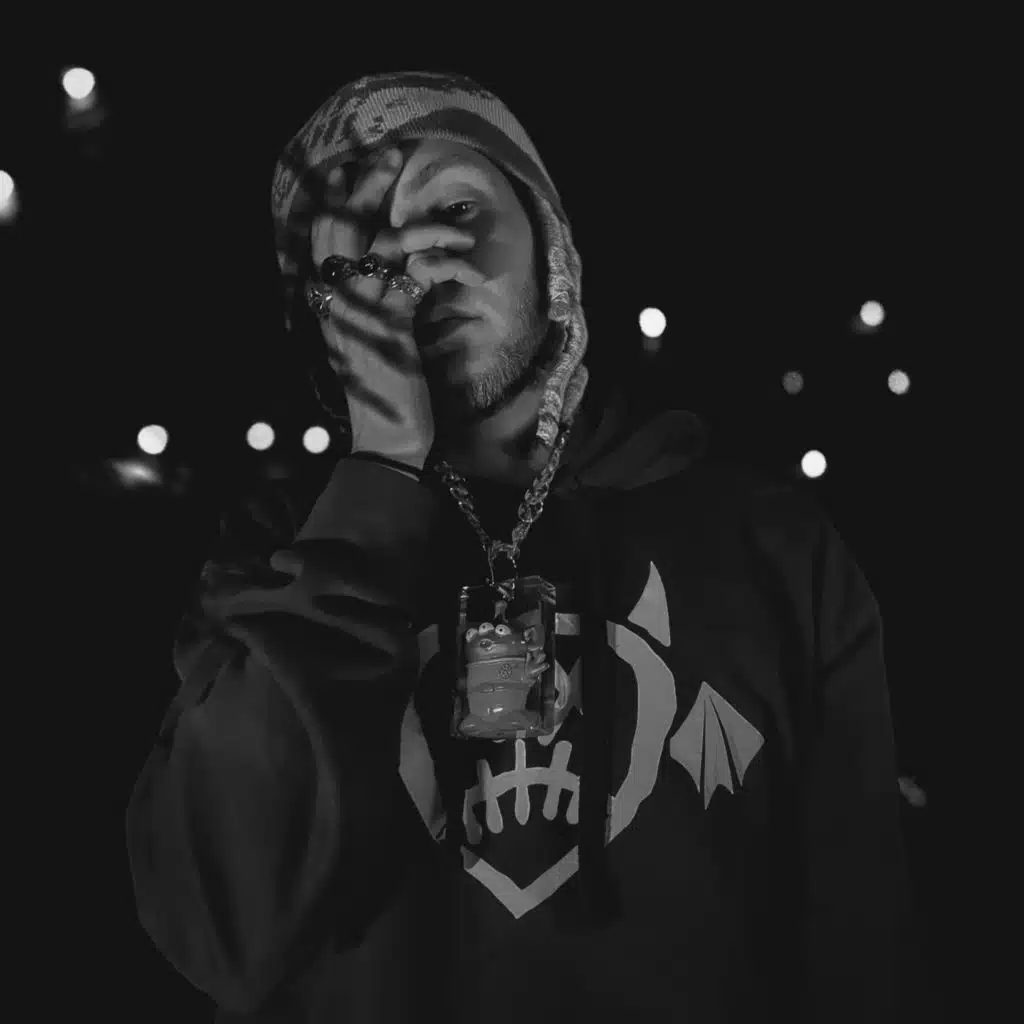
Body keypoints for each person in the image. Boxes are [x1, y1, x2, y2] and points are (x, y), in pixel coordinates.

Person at [125, 70, 933, 1022]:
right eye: (361, 248)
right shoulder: (274, 555)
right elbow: (219, 925)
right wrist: (382, 463)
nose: (418, 259)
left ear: (551, 243)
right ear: (322, 313)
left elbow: (860, 942)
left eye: (455, 207)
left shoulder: (773, 549)